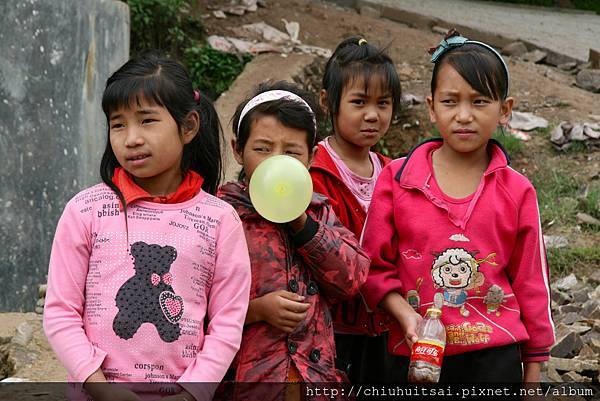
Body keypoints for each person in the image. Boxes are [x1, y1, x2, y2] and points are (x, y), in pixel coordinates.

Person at [43, 55, 251, 401]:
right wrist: (101, 389)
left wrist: (192, 393)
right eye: (118, 124)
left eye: (147, 120)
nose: (132, 138)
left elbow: (227, 324)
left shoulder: (220, 220)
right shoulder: (86, 211)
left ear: (188, 127)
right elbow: (60, 312)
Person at [361, 30, 555, 383]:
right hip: (414, 350)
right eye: (451, 102)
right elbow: (371, 265)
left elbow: (531, 281)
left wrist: (534, 369)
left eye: (479, 101)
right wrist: (404, 314)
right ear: (432, 107)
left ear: (505, 110)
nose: (464, 115)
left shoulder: (517, 191)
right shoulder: (397, 179)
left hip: (494, 359)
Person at [217, 81, 370, 400]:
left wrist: (301, 222)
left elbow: (352, 279)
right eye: (263, 149)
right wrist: (256, 310)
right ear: (238, 150)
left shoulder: (318, 211)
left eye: (291, 151)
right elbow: (195, 305)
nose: (276, 161)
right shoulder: (222, 215)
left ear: (311, 156)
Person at [309, 36, 403, 383]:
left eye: (384, 103)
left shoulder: (395, 172)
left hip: (385, 325)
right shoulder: (312, 171)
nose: (373, 115)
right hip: (331, 325)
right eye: (359, 102)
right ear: (327, 102)